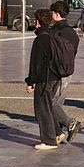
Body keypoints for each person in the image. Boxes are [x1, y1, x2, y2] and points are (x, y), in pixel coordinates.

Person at [25, 9, 60, 151]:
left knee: (42, 110)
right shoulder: (52, 36)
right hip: (55, 77)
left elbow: (36, 64)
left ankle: (49, 141)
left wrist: (30, 82)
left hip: (44, 79)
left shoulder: (40, 39)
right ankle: (56, 134)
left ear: (37, 22)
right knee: (48, 107)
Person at [49, 1, 83, 144]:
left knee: (50, 103)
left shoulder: (55, 32)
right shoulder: (72, 32)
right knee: (58, 102)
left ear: (56, 14)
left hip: (56, 71)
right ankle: (58, 132)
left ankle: (70, 123)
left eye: (52, 13)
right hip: (69, 69)